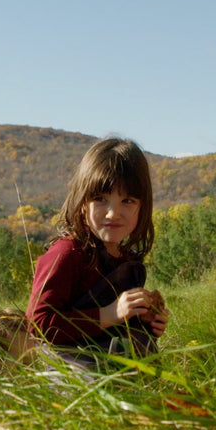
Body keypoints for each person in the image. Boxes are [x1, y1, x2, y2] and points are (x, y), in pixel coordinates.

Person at [26, 137, 168, 372]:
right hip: (72, 369)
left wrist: (146, 322)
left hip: (116, 367)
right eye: (100, 199)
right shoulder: (67, 254)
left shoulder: (127, 262)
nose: (113, 213)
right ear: (82, 202)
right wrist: (109, 314)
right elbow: (40, 325)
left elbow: (116, 329)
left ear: (142, 207)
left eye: (127, 201)